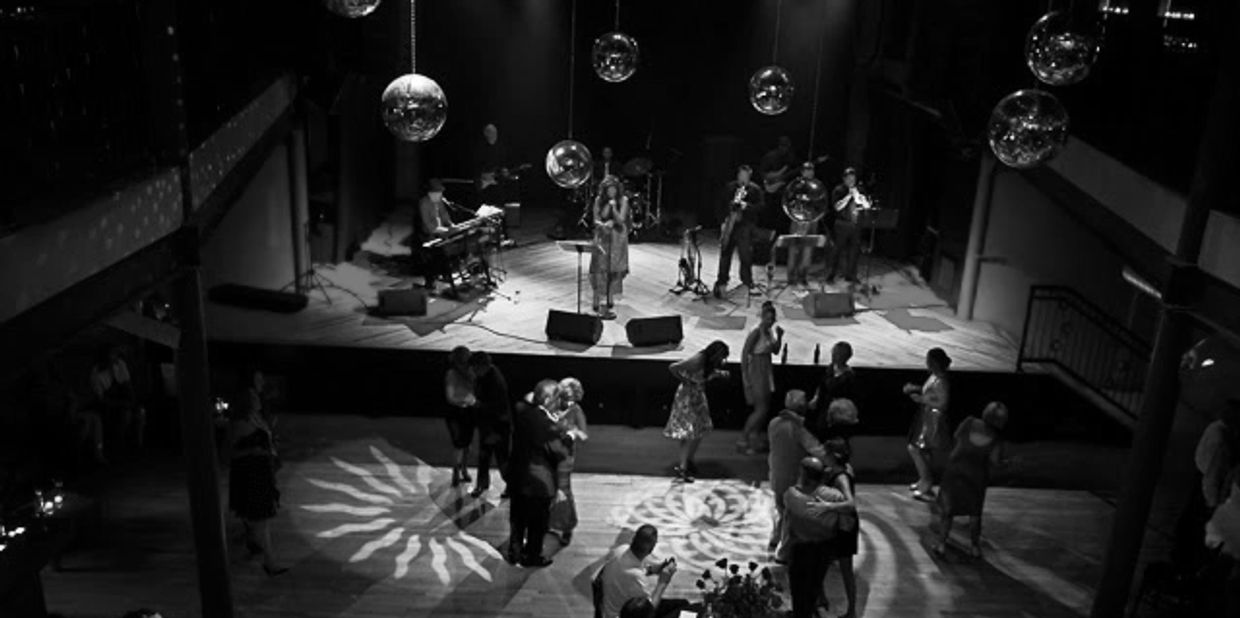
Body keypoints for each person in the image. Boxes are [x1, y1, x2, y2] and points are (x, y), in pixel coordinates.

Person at [227, 368, 286, 576]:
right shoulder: (241, 422)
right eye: (253, 394)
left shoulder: (256, 417)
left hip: (261, 471)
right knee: (261, 518)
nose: (258, 395)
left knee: (258, 518)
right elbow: (233, 451)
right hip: (252, 473)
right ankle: (270, 561)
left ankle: (257, 544)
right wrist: (256, 449)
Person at [507, 379, 571, 567]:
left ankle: (514, 552)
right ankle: (532, 557)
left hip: (518, 477)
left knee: (517, 518)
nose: (559, 402)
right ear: (548, 399)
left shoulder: (523, 414)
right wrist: (565, 435)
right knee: (537, 523)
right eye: (557, 397)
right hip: (539, 483)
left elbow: (524, 403)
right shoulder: (548, 425)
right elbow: (559, 453)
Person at [933, 402, 1009, 559]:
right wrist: (1009, 463)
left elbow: (956, 438)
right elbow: (995, 462)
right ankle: (974, 547)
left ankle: (941, 544)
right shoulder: (995, 439)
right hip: (976, 477)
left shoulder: (969, 422)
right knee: (974, 514)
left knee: (948, 512)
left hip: (955, 472)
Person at [783, 456, 857, 618]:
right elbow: (847, 523)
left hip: (800, 550)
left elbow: (788, 526)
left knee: (799, 592)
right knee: (814, 586)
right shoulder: (835, 497)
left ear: (803, 474)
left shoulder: (791, 495)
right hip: (824, 550)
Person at [767, 390, 826, 553]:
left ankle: (775, 537)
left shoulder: (773, 423)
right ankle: (784, 551)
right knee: (792, 515)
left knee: (780, 508)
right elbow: (816, 449)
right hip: (793, 478)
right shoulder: (799, 429)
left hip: (776, 474)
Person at [664, 340, 731, 483]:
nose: (722, 361)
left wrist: (719, 374)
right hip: (687, 397)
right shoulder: (698, 359)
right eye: (721, 357)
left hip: (698, 396)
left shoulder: (708, 363)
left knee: (699, 431)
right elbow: (673, 367)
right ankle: (683, 468)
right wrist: (685, 381)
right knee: (688, 433)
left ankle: (689, 460)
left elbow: (705, 375)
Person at [598, 524, 686, 618]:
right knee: (683, 606)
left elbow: (627, 572)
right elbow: (649, 610)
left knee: (681, 603)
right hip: (623, 615)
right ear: (651, 549)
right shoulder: (637, 579)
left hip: (609, 605)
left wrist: (653, 570)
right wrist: (663, 582)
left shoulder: (620, 549)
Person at [819, 438, 860, 618]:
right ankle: (821, 598)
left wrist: (827, 507)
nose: (823, 456)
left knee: (845, 567)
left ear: (833, 456)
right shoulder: (840, 469)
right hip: (837, 523)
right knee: (821, 561)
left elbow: (850, 503)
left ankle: (851, 610)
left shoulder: (841, 476)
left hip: (844, 526)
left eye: (826, 453)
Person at [904, 347, 951, 501]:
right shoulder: (934, 377)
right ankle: (923, 480)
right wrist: (916, 389)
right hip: (927, 416)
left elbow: (942, 402)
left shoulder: (941, 380)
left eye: (929, 360)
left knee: (916, 449)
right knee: (922, 450)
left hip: (933, 418)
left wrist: (921, 399)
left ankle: (927, 481)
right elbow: (931, 392)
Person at [739, 301, 784, 454]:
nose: (770, 321)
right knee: (761, 409)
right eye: (768, 318)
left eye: (772, 319)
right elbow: (745, 354)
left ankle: (755, 437)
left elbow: (776, 351)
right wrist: (745, 378)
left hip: (766, 368)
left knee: (765, 406)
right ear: (762, 317)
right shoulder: (756, 332)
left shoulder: (770, 331)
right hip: (757, 369)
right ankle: (743, 439)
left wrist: (780, 337)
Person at [713, 165, 764, 298]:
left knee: (745, 255)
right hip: (730, 224)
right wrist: (723, 222)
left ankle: (747, 282)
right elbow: (720, 204)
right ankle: (722, 281)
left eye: (746, 177)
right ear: (738, 175)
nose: (743, 179)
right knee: (725, 254)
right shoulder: (729, 188)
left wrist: (747, 206)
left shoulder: (755, 190)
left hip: (745, 226)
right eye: (741, 176)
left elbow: (761, 207)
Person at [549, 377, 589, 544]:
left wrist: (572, 434)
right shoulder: (552, 408)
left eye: (569, 398)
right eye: (563, 397)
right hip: (549, 454)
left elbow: (583, 433)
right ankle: (549, 522)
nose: (566, 401)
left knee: (564, 491)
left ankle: (567, 527)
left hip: (565, 456)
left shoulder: (576, 411)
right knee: (549, 489)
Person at [89, 344, 145, 453]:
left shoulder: (120, 364)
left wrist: (131, 401)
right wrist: (121, 404)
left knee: (141, 412)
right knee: (125, 414)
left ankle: (139, 444)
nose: (113, 358)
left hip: (123, 399)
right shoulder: (96, 373)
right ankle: (120, 446)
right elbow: (101, 399)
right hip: (109, 404)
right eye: (111, 355)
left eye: (114, 355)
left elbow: (128, 386)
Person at [469, 351, 511, 499]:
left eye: (475, 368)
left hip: (497, 426)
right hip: (487, 424)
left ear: (483, 366)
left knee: (502, 458)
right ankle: (482, 483)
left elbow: (496, 407)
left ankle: (511, 485)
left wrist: (477, 404)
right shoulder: (485, 376)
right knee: (484, 456)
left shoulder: (494, 381)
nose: (473, 371)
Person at [590, 176, 631, 318]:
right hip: (603, 235)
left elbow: (621, 219)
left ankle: (610, 297)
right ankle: (598, 298)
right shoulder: (598, 200)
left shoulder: (623, 200)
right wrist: (603, 223)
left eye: (614, 189)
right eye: (609, 189)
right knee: (599, 267)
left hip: (618, 237)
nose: (612, 192)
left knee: (614, 268)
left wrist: (613, 207)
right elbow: (597, 217)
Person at [808, 342, 858, 441]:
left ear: (845, 357)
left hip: (839, 412)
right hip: (825, 408)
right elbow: (822, 384)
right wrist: (816, 397)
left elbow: (849, 397)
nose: (833, 356)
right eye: (833, 353)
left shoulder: (849, 376)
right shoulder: (830, 368)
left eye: (837, 354)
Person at [444, 346, 477, 488]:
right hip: (457, 412)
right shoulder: (452, 374)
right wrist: (464, 401)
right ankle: (458, 471)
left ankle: (462, 470)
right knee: (460, 444)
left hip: (466, 411)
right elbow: (450, 397)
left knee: (465, 444)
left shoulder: (470, 373)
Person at [786, 162, 823, 286]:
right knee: (794, 249)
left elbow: (821, 202)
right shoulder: (796, 185)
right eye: (807, 170)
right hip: (797, 220)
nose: (809, 172)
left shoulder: (816, 186)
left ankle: (803, 276)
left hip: (812, 220)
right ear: (802, 172)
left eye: (811, 170)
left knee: (808, 250)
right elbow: (789, 200)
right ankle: (791, 276)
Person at [828, 168, 867, 284]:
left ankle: (851, 275)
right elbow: (837, 207)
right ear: (844, 179)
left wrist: (859, 197)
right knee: (837, 250)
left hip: (855, 224)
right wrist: (849, 196)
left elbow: (866, 205)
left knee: (854, 250)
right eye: (849, 178)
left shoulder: (859, 190)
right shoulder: (839, 190)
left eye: (853, 178)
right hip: (842, 224)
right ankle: (831, 274)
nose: (851, 180)